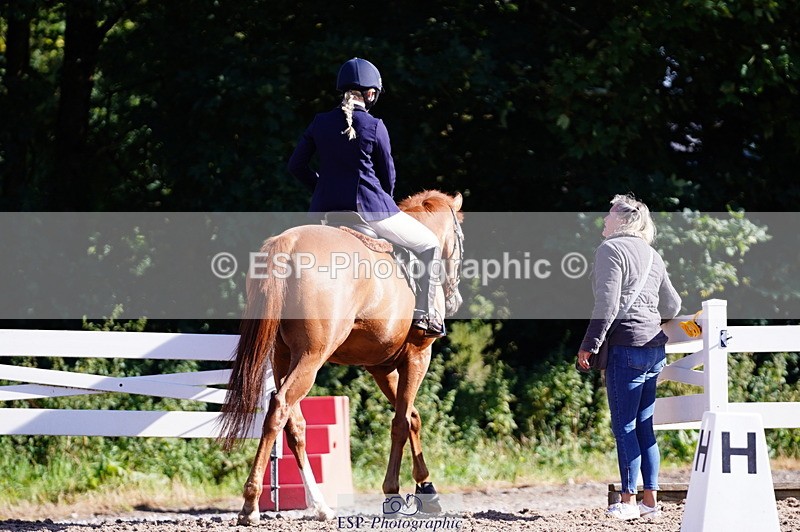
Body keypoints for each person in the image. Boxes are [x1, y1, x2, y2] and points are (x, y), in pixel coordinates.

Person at [287, 57, 445, 337]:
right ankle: (425, 315)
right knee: (430, 243)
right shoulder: (374, 126)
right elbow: (388, 176)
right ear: (370, 93)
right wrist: (384, 200)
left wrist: (323, 188)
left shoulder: (319, 122)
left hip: (323, 212)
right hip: (371, 210)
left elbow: (296, 166)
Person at [577, 194, 682, 520]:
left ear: (623, 220)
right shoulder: (652, 255)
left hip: (626, 348)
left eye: (609, 215)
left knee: (624, 428)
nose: (605, 221)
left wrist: (590, 344)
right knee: (644, 427)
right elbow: (674, 306)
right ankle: (650, 503)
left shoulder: (610, 250)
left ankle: (628, 500)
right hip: (654, 349)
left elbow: (606, 305)